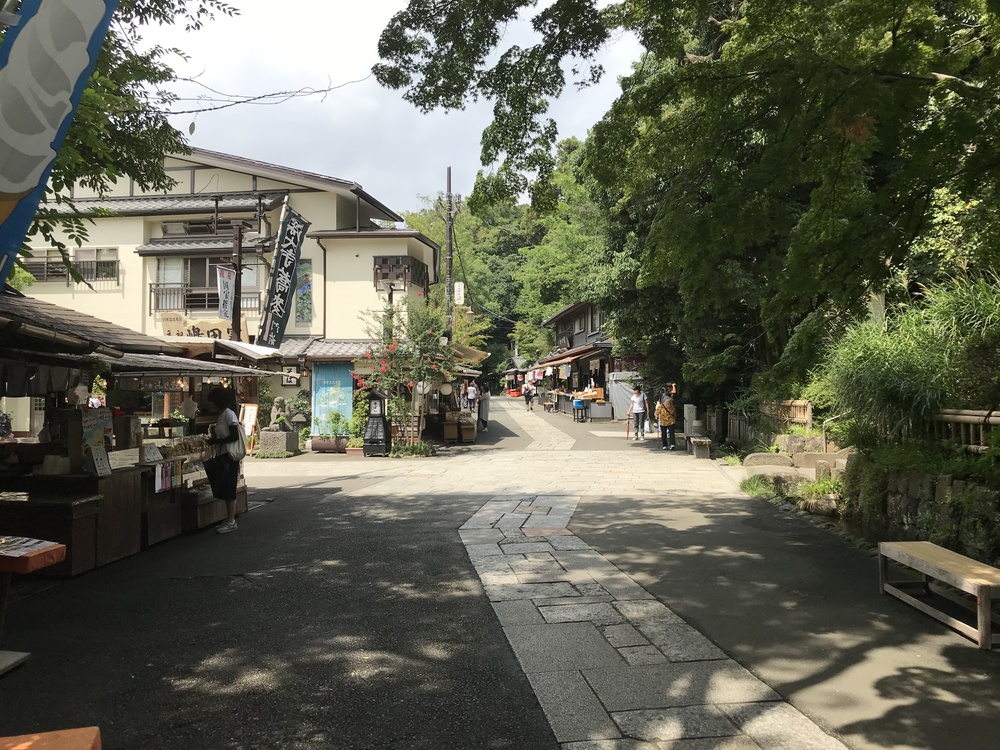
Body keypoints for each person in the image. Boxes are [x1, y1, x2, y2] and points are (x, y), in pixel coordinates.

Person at [205, 387, 241, 534]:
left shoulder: (229, 414)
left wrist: (215, 442)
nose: (210, 405)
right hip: (223, 454)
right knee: (225, 486)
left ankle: (231, 520)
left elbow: (234, 436)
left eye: (212, 402)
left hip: (229, 455)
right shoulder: (222, 415)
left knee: (228, 486)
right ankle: (229, 519)